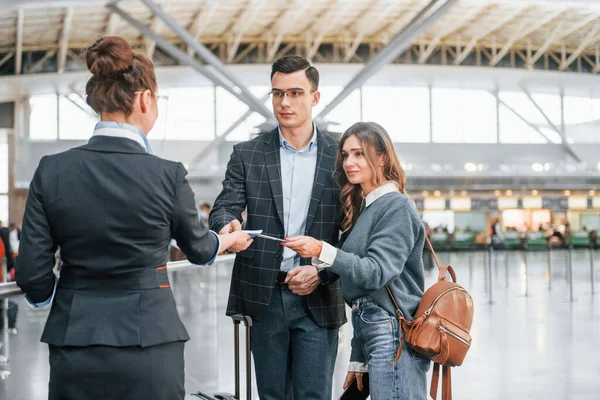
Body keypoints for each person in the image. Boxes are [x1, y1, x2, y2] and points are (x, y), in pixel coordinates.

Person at [15, 36, 251, 400]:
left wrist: (45, 298)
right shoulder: (167, 174)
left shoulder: (52, 171)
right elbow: (201, 250)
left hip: (74, 343)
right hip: (151, 342)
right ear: (144, 98)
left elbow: (34, 277)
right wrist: (228, 240)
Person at [209, 55, 345, 400]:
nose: (285, 102)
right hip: (264, 294)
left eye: (296, 92)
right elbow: (225, 205)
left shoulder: (341, 155)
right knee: (272, 394)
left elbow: (354, 230)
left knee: (314, 394)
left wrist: (322, 271)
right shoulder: (248, 154)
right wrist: (228, 224)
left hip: (318, 294)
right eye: (277, 93)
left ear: (315, 97)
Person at [283, 122, 430, 400]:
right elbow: (365, 298)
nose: (349, 162)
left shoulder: (396, 206)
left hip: (392, 334)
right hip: (372, 332)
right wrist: (357, 358)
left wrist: (321, 249)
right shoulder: (368, 207)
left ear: (382, 157)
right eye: (346, 155)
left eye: (359, 154)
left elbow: (375, 273)